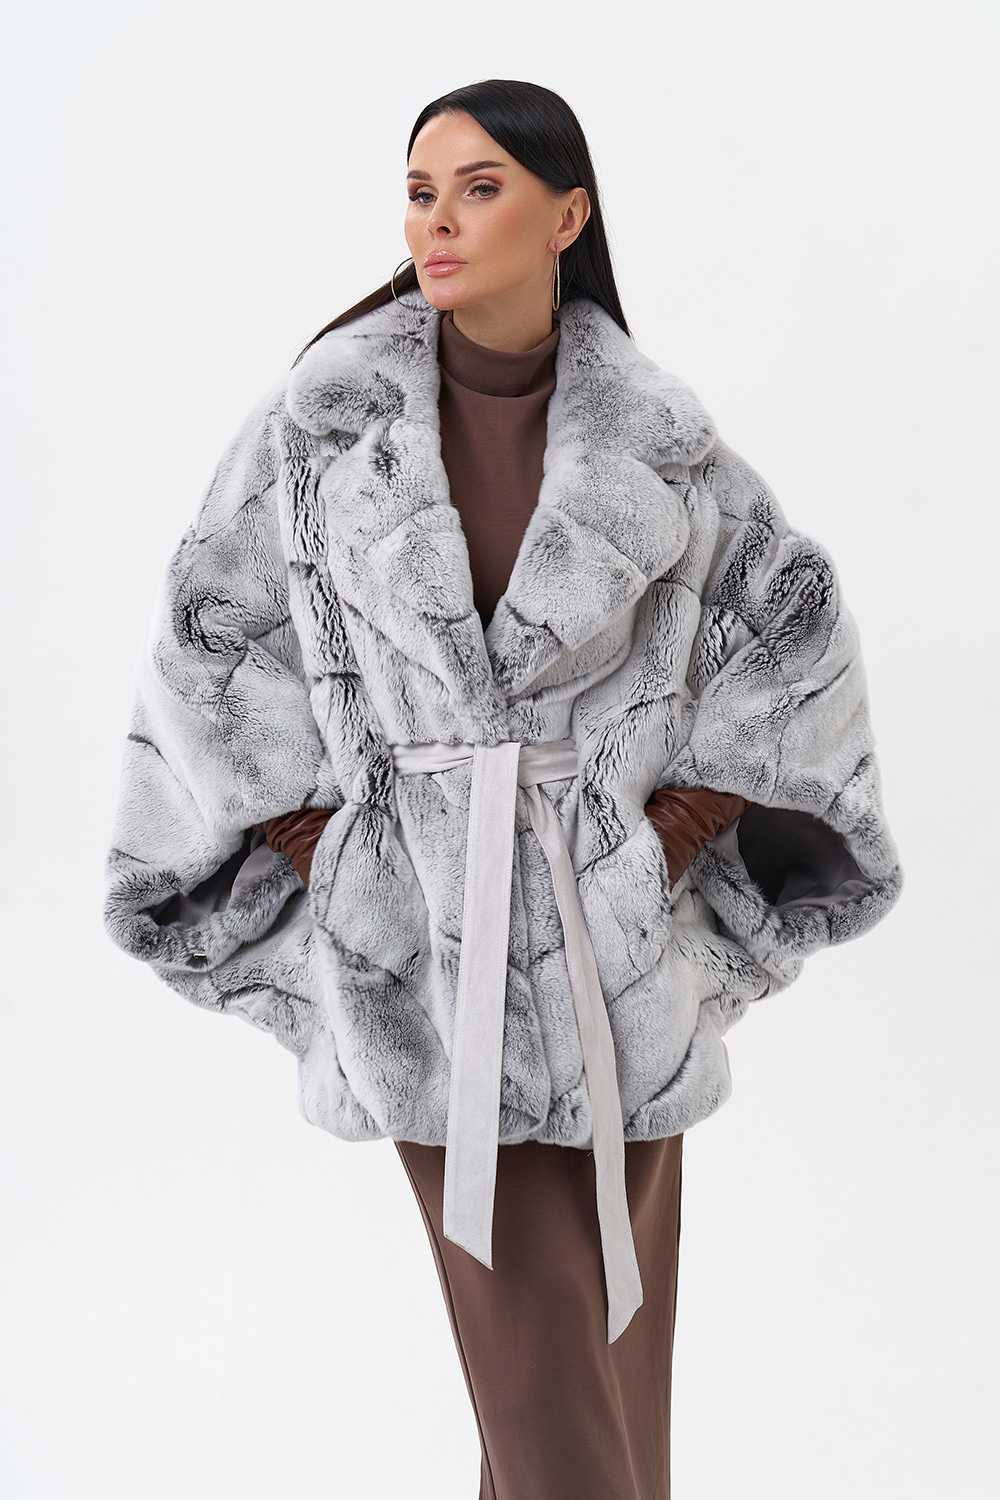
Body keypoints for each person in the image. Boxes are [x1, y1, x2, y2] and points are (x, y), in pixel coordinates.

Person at [103, 79, 902, 1500]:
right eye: (421, 191)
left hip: (615, 972)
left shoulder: (662, 440)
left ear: (567, 214)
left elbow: (789, 631)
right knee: (556, 1407)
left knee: (610, 1394)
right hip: (426, 961)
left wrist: (663, 843)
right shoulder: (320, 430)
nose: (440, 220)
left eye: (479, 188)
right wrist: (337, 852)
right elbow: (212, 644)